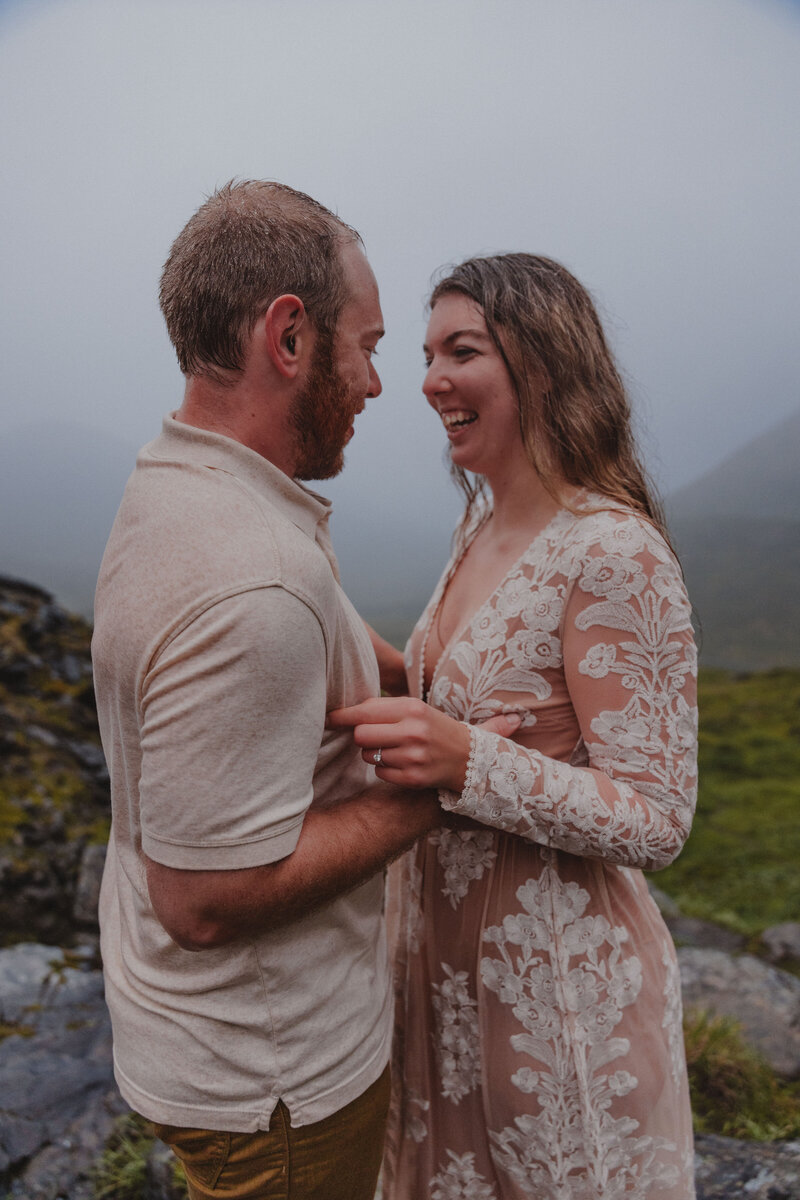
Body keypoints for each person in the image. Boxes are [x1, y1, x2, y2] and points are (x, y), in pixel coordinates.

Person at [92, 182, 518, 1200]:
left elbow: (310, 615)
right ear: (288, 337)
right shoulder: (251, 581)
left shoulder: (184, 479)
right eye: (366, 345)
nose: (380, 383)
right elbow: (202, 899)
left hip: (197, 1039)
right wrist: (440, 785)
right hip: (273, 1078)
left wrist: (434, 676)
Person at [330, 254, 699, 1199]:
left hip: (560, 1008)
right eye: (425, 355)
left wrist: (469, 762)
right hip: (445, 993)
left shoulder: (613, 550)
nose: (429, 381)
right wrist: (333, 638)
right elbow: (473, 699)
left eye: (463, 350)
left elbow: (657, 816)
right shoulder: (480, 531)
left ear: (542, 361)